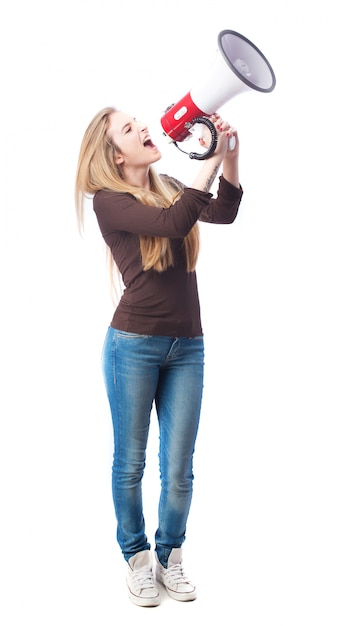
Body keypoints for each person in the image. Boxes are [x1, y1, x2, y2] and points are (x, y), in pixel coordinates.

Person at [75, 106, 243, 607]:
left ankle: (171, 556)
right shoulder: (108, 202)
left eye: (139, 122)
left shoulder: (170, 183)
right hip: (133, 346)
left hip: (188, 345)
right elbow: (172, 225)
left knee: (179, 468)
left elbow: (224, 212)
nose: (145, 128)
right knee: (130, 464)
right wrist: (209, 161)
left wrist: (230, 156)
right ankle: (138, 559)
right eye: (130, 130)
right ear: (114, 154)